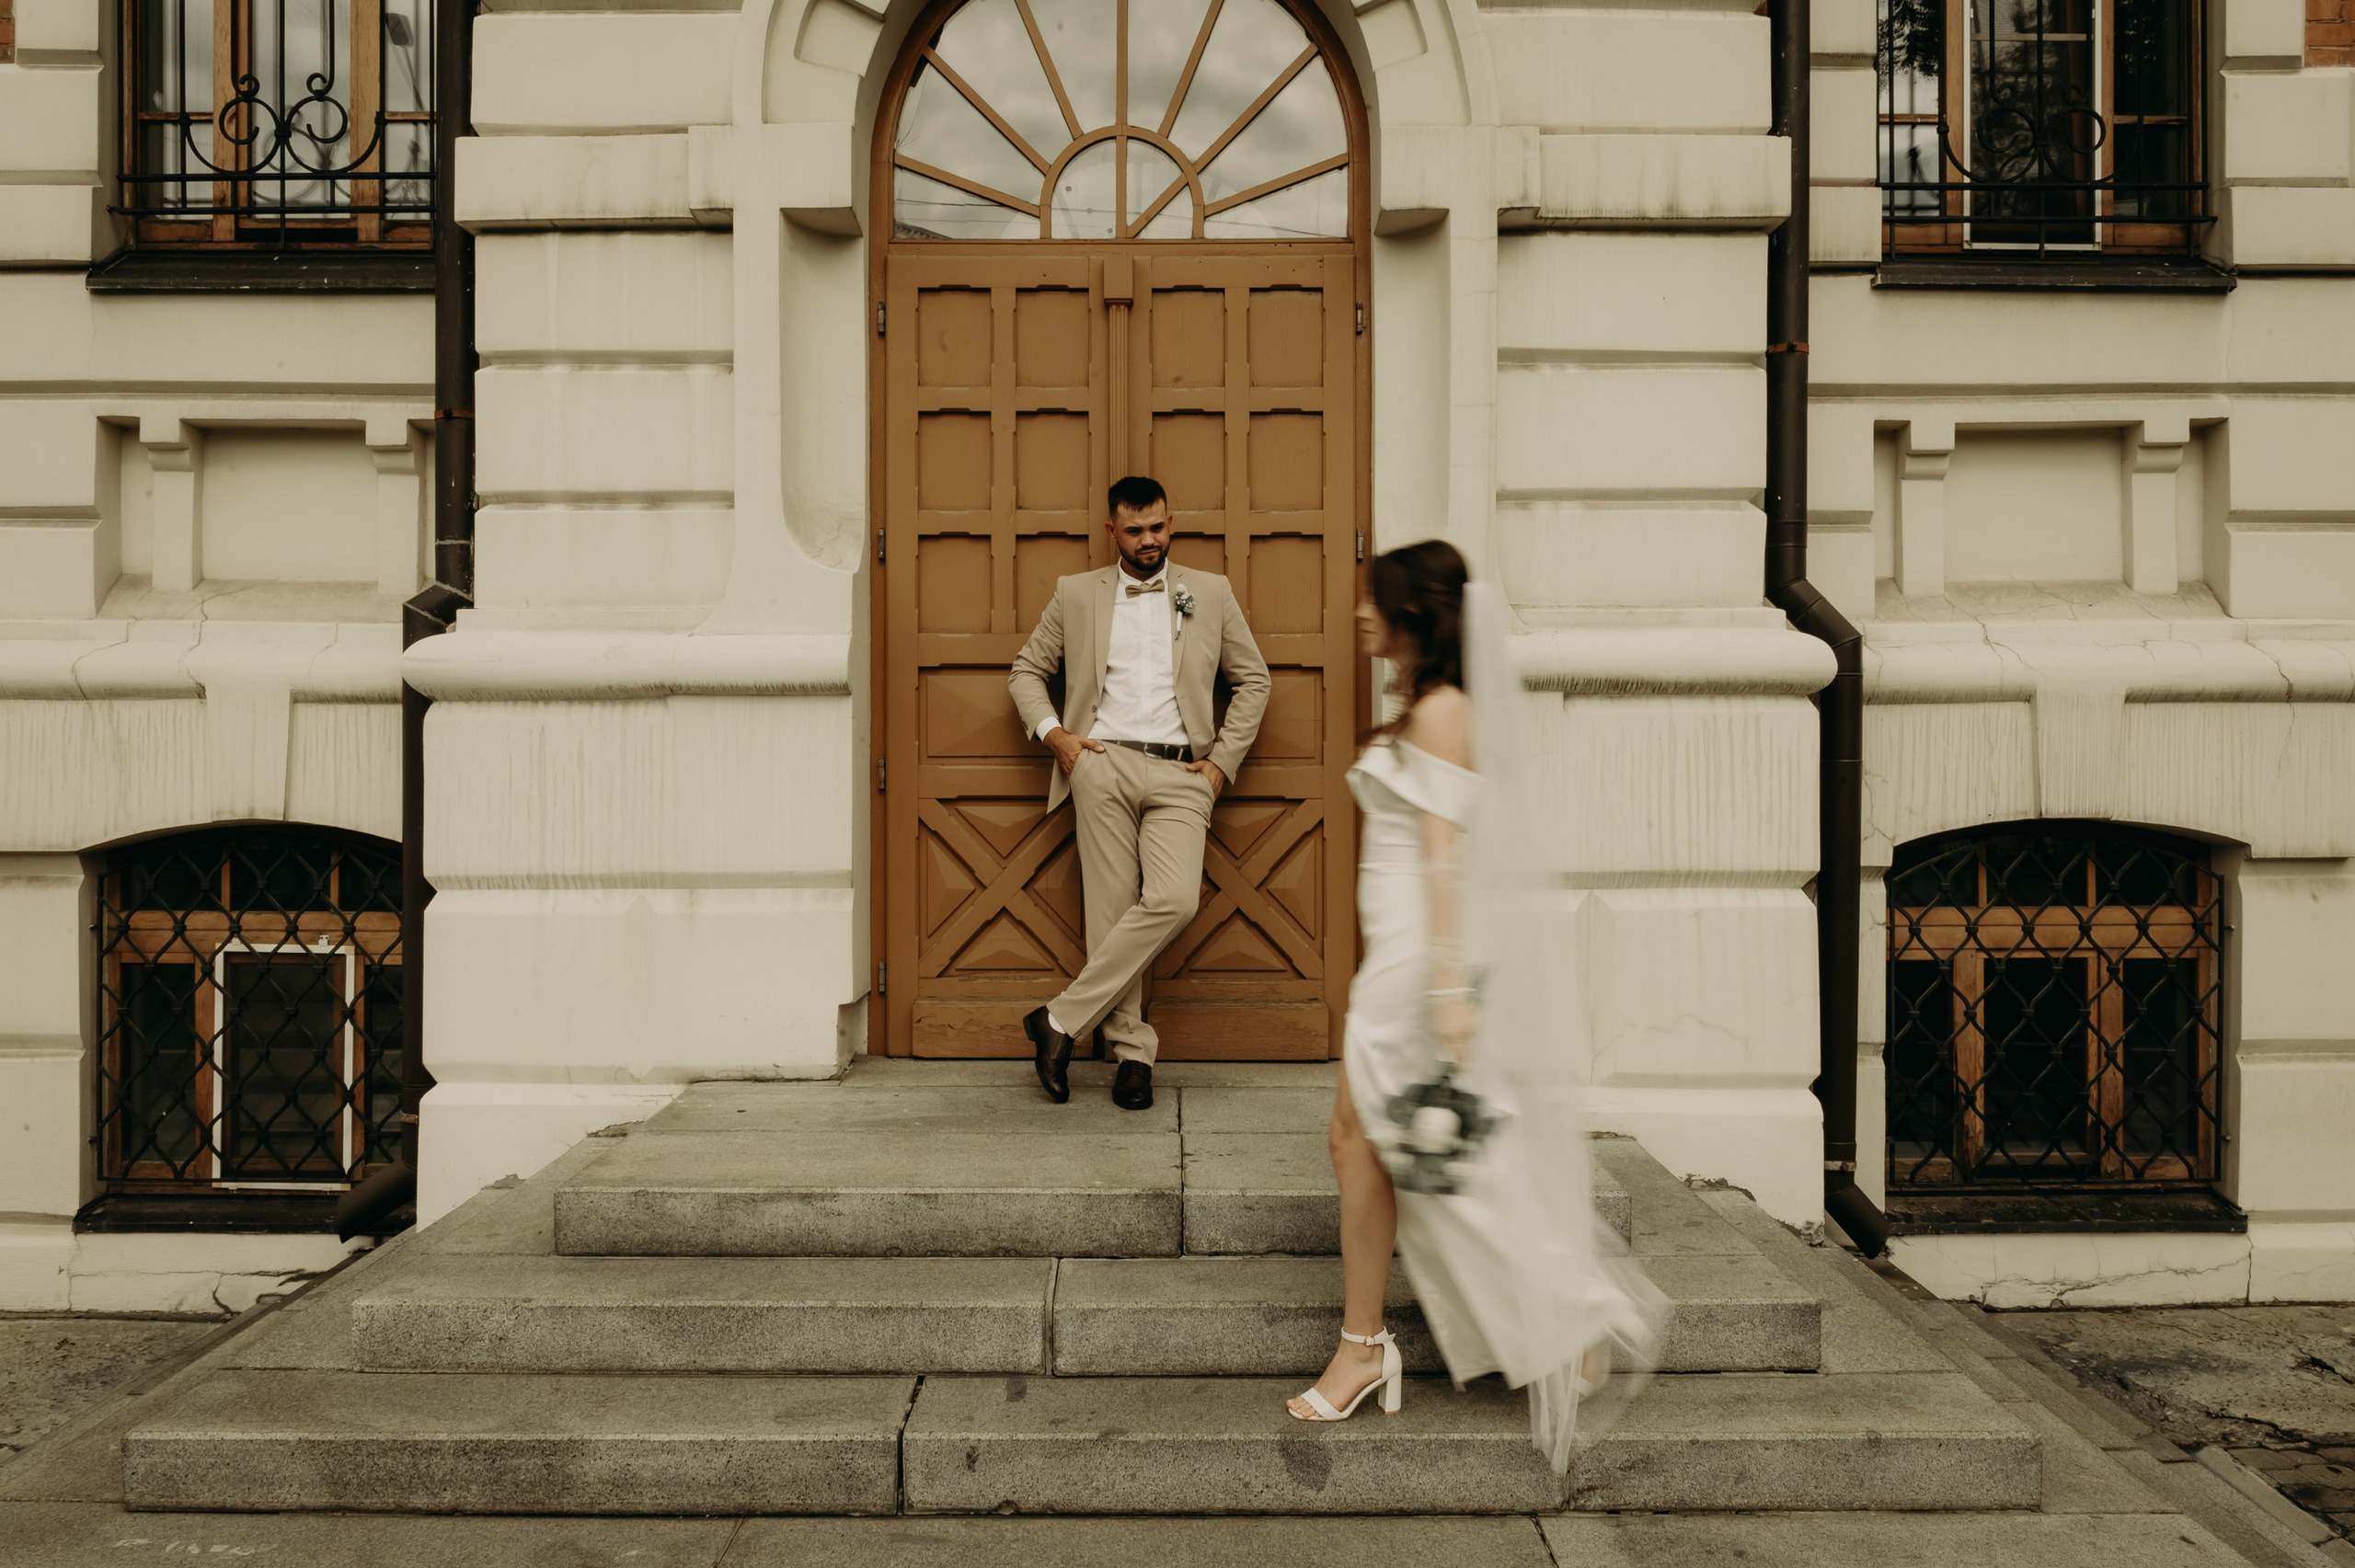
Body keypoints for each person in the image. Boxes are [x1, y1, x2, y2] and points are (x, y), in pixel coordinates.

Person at [1285, 538, 1660, 1473]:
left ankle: (1548, 1313)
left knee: (1425, 1152)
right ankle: (1370, 1344)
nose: (1360, 613)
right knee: (1363, 1142)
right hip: (1402, 956)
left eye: (1374, 600)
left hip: (1420, 963)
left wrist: (1448, 992)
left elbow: (1445, 859)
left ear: (1412, 616)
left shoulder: (1445, 710)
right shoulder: (1427, 705)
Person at [1007, 475, 1270, 1111]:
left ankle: (1059, 1020)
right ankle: (1132, 1057)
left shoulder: (1209, 591)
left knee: (1174, 899)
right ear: (1112, 531)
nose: (1148, 540)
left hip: (1183, 774)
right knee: (1111, 912)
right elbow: (1026, 672)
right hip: (1101, 763)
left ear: (1170, 523)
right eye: (1134, 531)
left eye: (1157, 527)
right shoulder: (1076, 593)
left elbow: (1253, 680)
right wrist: (1058, 739)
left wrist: (1220, 764)